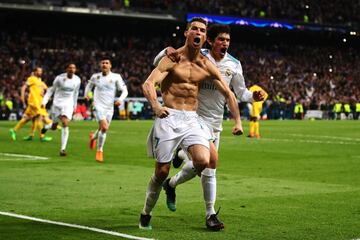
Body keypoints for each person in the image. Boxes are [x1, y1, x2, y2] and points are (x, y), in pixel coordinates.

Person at [139, 18, 243, 231]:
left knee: (205, 160)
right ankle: (146, 213)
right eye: (194, 28)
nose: (198, 32)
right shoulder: (172, 58)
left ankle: (179, 173)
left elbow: (229, 93)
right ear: (186, 33)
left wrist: (238, 121)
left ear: (205, 38)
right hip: (169, 117)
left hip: (192, 119)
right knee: (161, 172)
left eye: (202, 30)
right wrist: (156, 107)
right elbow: (149, 83)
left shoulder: (206, 65)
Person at [152, 24, 265, 217]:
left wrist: (253, 97)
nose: (225, 43)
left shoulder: (234, 64)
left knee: (203, 165)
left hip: (215, 122)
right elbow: (159, 63)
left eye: (228, 40)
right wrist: (165, 50)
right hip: (193, 117)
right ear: (211, 41)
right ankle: (210, 213)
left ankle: (172, 183)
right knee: (211, 165)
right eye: (221, 39)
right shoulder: (197, 55)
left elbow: (239, 93)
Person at [84, 56, 128, 163]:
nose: (104, 64)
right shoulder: (95, 77)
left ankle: (93, 137)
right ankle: (99, 151)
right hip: (97, 105)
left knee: (102, 128)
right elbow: (88, 87)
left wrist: (120, 100)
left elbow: (125, 91)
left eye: (106, 63)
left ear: (110, 66)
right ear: (100, 65)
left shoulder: (116, 77)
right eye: (103, 62)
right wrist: (87, 95)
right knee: (104, 127)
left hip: (109, 107)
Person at [42, 63, 81, 156]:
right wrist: (44, 101)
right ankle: (47, 127)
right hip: (57, 104)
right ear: (66, 69)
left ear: (75, 70)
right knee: (54, 127)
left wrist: (75, 106)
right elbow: (51, 90)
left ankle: (62, 149)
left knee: (65, 123)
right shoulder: (59, 78)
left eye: (73, 68)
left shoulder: (77, 80)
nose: (71, 69)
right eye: (70, 68)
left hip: (68, 104)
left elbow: (76, 93)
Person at [9, 67, 52, 142]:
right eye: (39, 71)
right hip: (33, 102)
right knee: (39, 117)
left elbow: (45, 90)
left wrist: (43, 94)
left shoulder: (39, 81)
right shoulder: (31, 78)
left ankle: (15, 130)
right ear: (35, 72)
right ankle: (42, 136)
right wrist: (22, 98)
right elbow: (23, 87)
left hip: (36, 102)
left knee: (28, 119)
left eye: (41, 71)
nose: (40, 72)